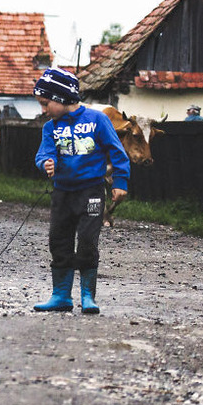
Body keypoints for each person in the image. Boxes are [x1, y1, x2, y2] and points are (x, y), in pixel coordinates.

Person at [32, 67, 130, 315]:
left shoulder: (98, 120)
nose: (43, 110)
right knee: (59, 240)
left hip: (92, 191)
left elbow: (117, 151)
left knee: (87, 241)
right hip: (62, 193)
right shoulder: (50, 128)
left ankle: (88, 296)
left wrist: (120, 181)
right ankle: (61, 295)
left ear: (61, 98)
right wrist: (46, 163)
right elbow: (43, 153)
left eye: (45, 104)